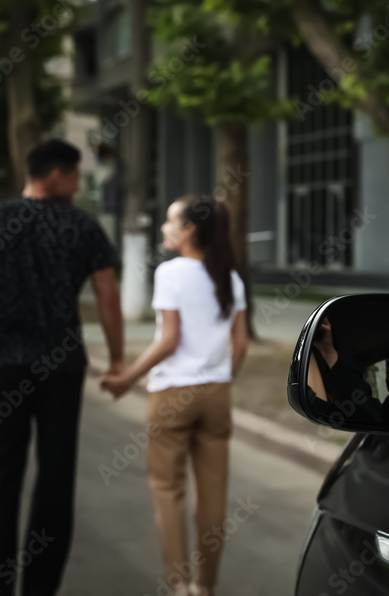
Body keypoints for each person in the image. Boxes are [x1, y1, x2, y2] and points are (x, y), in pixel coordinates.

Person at [0, 139, 124, 595]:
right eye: (74, 175)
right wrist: (119, 357)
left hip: (5, 362)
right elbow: (108, 295)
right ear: (55, 175)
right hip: (62, 368)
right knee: (55, 478)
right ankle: (40, 589)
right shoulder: (83, 227)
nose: (77, 183)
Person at [100, 195, 248, 596]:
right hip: (217, 394)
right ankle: (207, 585)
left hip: (172, 395)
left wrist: (127, 377)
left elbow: (169, 340)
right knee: (213, 495)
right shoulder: (230, 278)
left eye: (169, 221)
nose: (164, 229)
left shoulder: (170, 273)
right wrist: (220, 379)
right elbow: (240, 344)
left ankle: (179, 585)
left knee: (169, 490)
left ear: (188, 231)